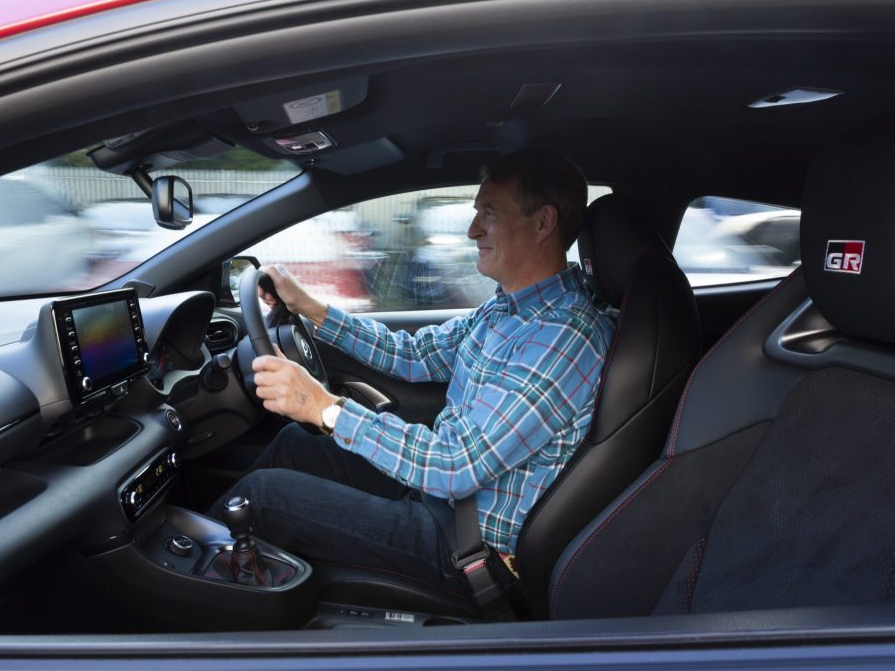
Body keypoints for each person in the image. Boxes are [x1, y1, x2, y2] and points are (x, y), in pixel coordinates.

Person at [212, 152, 615, 595]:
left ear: (543, 224)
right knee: (293, 444)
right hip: (446, 501)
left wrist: (324, 408)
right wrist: (310, 306)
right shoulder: (510, 308)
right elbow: (414, 354)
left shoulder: (560, 337)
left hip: (468, 548)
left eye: (489, 214)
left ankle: (180, 601)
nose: (472, 229)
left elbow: (454, 465)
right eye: (476, 212)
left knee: (265, 499)